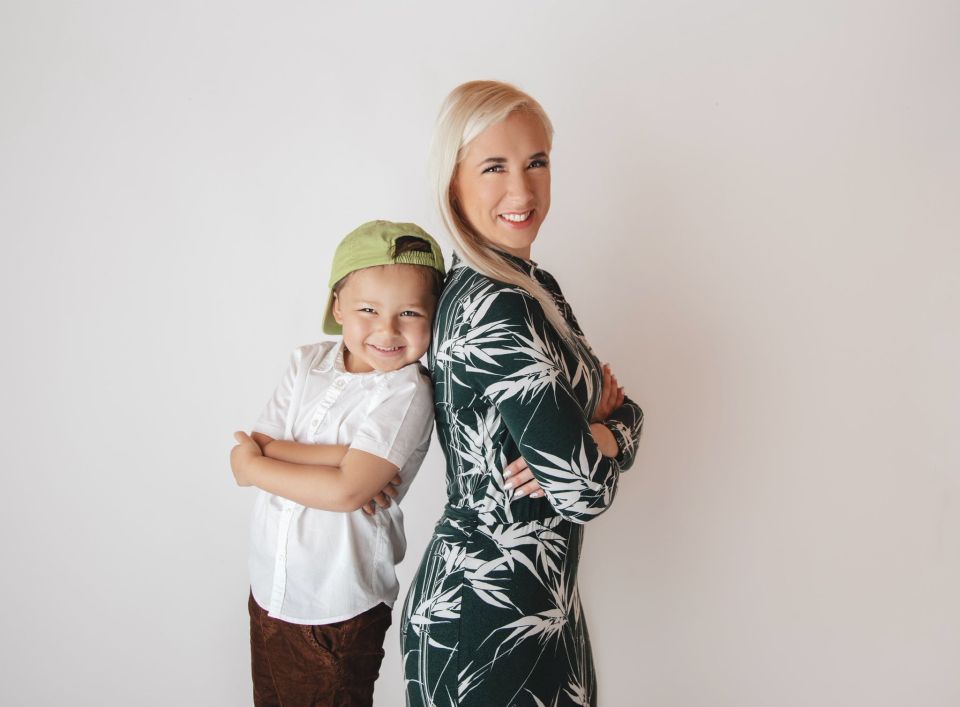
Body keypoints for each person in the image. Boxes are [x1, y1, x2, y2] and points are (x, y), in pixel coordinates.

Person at [399, 81, 644, 706]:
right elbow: (582, 487)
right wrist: (603, 432)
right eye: (493, 167)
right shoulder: (498, 305)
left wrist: (608, 432)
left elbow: (612, 423)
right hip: (490, 620)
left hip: (540, 605)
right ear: (453, 182)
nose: (522, 190)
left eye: (537, 161)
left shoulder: (528, 285)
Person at [230, 220, 445, 707]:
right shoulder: (306, 363)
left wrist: (252, 468)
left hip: (335, 608)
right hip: (269, 588)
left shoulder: (407, 390)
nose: (387, 330)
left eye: (410, 313)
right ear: (337, 308)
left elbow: (347, 492)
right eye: (368, 309)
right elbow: (261, 438)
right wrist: (345, 459)